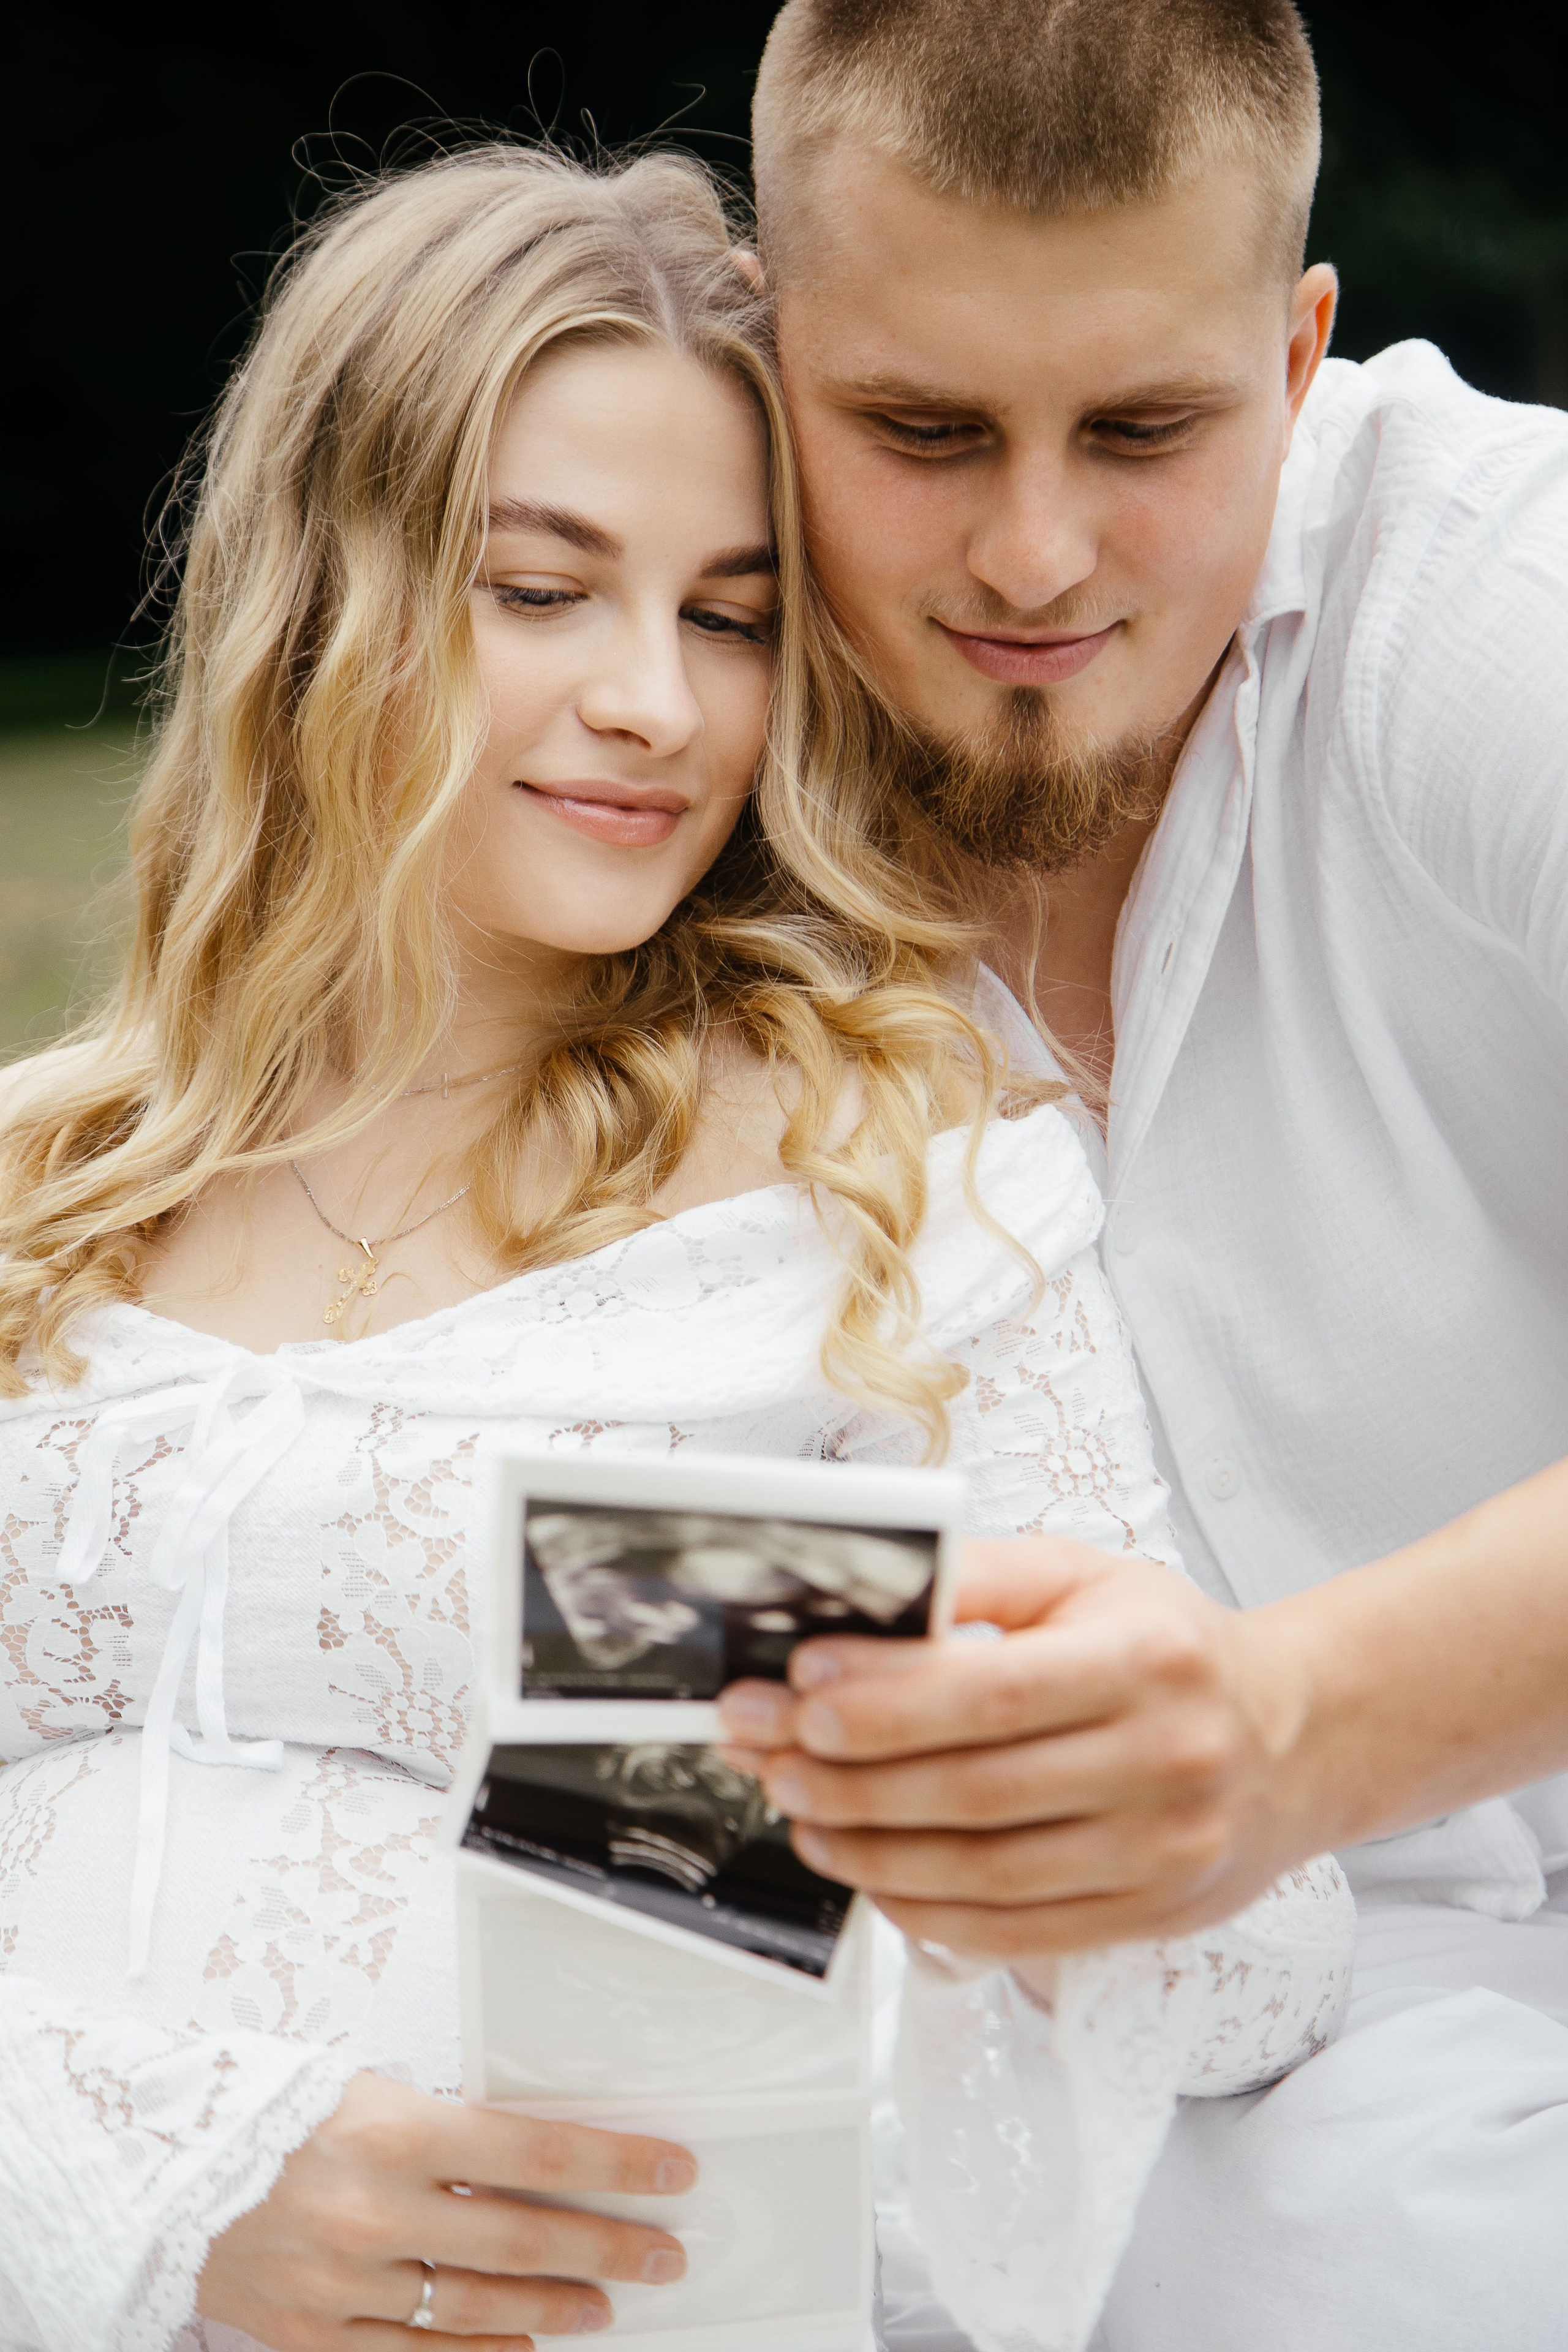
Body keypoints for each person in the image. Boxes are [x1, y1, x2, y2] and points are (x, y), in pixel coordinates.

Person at [0, 146, 1348, 2352]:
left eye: (729, 614)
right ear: (325, 592)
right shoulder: (43, 1186)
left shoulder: (892, 1186)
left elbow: (1247, 1967)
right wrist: (175, 2182)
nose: (656, 701)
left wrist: (1066, 1760)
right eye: (544, 590)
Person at [715, 2, 1568, 2346]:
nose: (1032, 549)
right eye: (915, 430)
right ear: (768, 346)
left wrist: (1288, 1729)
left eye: (1146, 428)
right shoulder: (633, 726)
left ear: (1298, 358)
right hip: (1074, 2072)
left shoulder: (1505, 607)